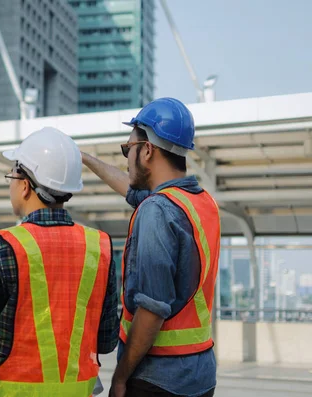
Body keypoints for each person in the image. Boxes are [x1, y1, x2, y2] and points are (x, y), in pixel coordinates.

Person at [0, 127, 119, 397]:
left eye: (11, 176)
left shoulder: (3, 246)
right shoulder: (98, 247)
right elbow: (106, 340)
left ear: (25, 183)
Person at [82, 97, 220, 397]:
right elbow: (132, 189)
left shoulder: (157, 210)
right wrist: (86, 159)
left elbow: (152, 309)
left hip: (157, 379)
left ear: (147, 151)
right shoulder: (200, 202)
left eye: (127, 149)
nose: (125, 158)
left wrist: (120, 377)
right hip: (200, 373)